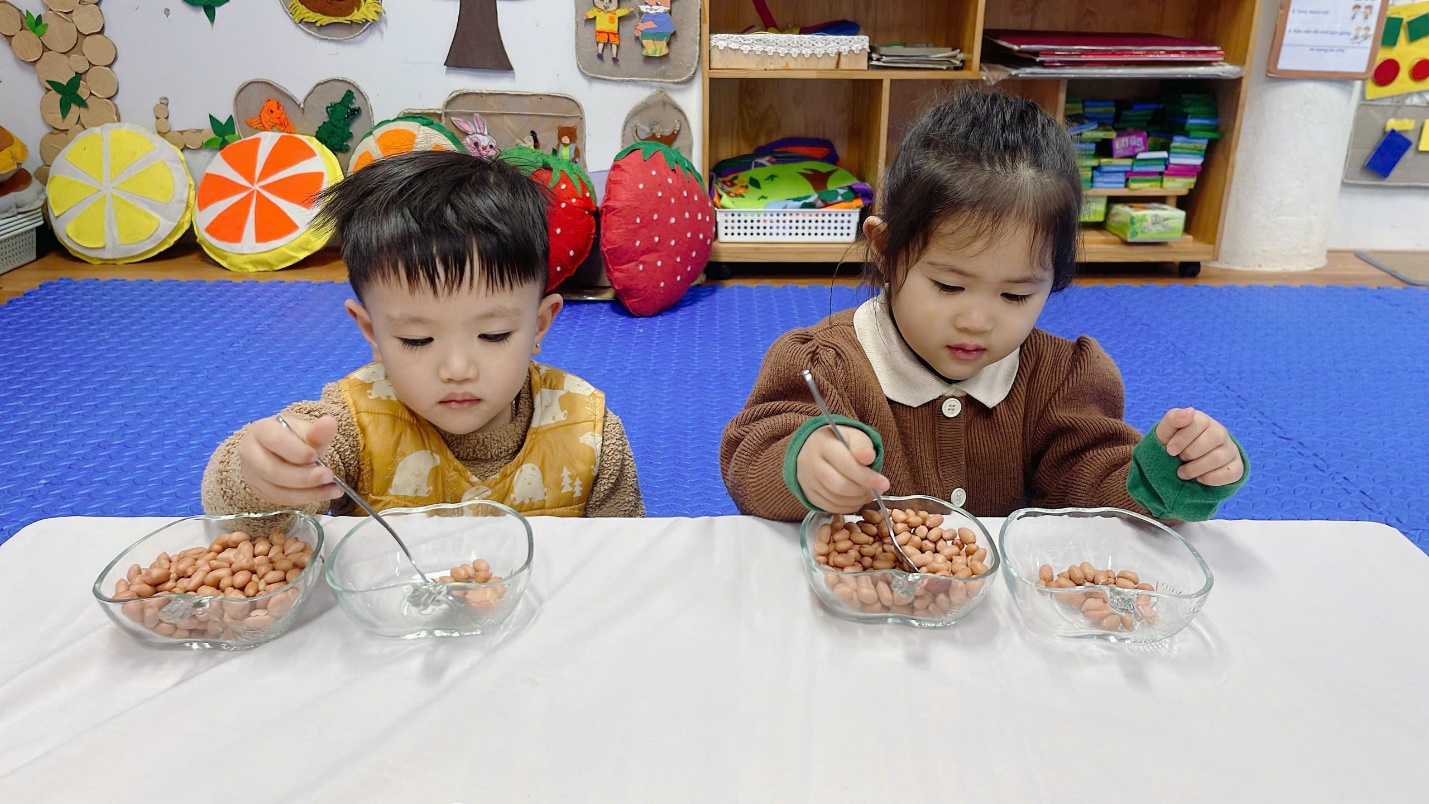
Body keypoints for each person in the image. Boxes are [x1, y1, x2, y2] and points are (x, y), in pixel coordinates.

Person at [720, 90, 1248, 522]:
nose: (977, 320)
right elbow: (751, 459)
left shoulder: (1061, 379)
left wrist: (1169, 475)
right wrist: (805, 464)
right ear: (885, 250)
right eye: (948, 286)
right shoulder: (825, 363)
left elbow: (1093, 484)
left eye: (1016, 295)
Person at [203, 151, 644, 519]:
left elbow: (626, 562)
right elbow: (249, 521)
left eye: (492, 334)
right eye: (417, 340)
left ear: (539, 325)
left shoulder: (589, 432)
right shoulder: (352, 423)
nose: (457, 370)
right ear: (371, 331)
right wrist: (262, 474)